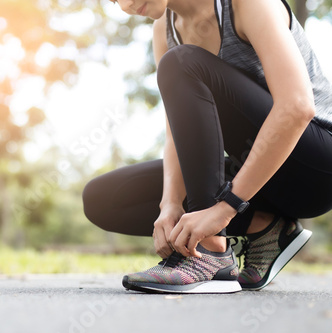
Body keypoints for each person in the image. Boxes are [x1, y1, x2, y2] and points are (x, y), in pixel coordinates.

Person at [83, 0, 332, 293]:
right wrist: (170, 202)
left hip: (314, 168)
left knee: (181, 61)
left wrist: (226, 208)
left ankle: (212, 254)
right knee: (103, 199)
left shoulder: (246, 4)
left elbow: (297, 108)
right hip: (255, 174)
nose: (125, 5)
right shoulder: (165, 29)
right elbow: (176, 132)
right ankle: (265, 228)